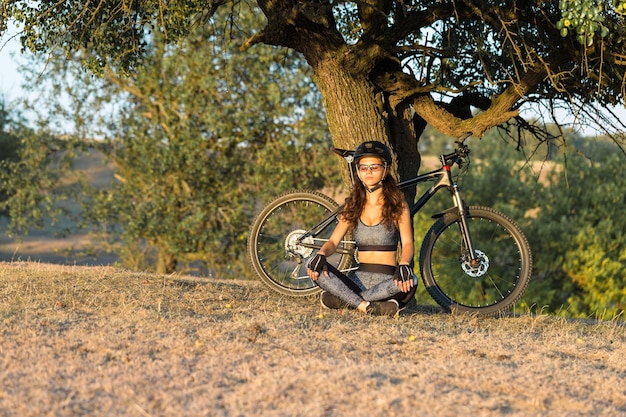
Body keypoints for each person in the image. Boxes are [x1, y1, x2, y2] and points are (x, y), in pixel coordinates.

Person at [306, 140, 417, 316]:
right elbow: (334, 242)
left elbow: (408, 243)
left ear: (385, 169)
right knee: (312, 263)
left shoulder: (398, 204)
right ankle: (368, 306)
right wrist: (320, 255)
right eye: (363, 168)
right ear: (357, 171)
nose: (369, 172)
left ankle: (344, 299)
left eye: (374, 166)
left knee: (412, 279)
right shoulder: (353, 205)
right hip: (357, 280)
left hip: (387, 281)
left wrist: (404, 264)